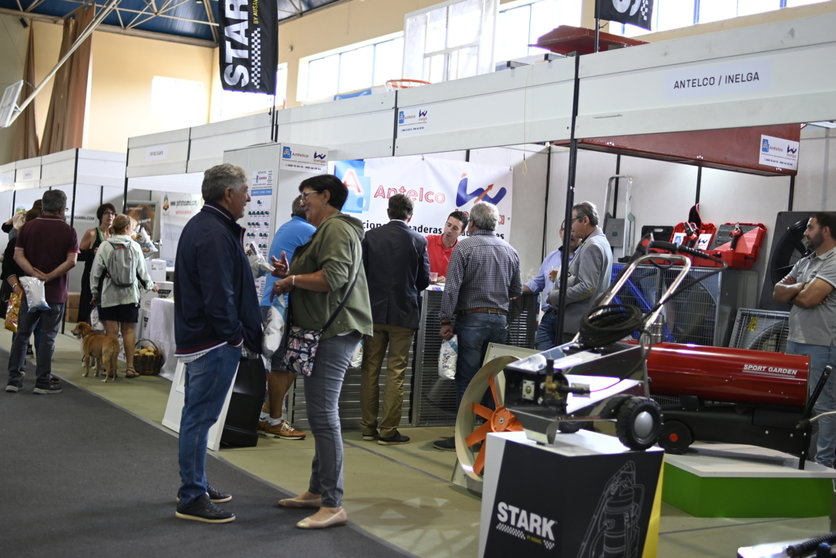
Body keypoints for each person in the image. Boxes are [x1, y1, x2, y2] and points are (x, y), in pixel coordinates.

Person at [271, 174, 372, 529]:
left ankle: (333, 503)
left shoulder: (337, 230)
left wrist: (292, 280)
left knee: (324, 416)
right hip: (329, 330)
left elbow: (334, 278)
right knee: (319, 414)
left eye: (307, 195)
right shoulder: (328, 231)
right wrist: (291, 272)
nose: (303, 202)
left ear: (326, 196)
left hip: (334, 331)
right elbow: (325, 273)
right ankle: (318, 491)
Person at [172, 163, 263, 523]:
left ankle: (197, 482)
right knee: (199, 418)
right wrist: (234, 334)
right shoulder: (212, 231)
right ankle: (191, 495)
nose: (248, 198)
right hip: (212, 341)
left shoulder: (209, 226)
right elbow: (218, 293)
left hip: (209, 338)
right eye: (245, 191)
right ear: (229, 194)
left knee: (199, 417)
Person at [434, 201, 521, 451]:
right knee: (494, 381)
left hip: (471, 321)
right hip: (500, 323)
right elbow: (515, 290)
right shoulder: (510, 250)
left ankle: (464, 436)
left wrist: (445, 320)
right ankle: (491, 434)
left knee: (468, 381)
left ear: (471, 224)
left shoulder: (465, 248)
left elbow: (451, 288)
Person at [360, 194, 430, 445]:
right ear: (409, 215)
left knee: (370, 369)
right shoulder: (419, 240)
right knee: (396, 371)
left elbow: (362, 274)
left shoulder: (371, 237)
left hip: (374, 313)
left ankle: (368, 428)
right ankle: (388, 431)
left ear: (388, 211)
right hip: (404, 315)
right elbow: (423, 281)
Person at [773, 212, 836, 468]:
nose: (805, 233)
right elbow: (777, 292)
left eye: (810, 227)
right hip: (796, 340)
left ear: (826, 231)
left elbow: (810, 300)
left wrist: (797, 290)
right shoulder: (806, 261)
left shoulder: (834, 260)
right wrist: (802, 287)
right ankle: (802, 455)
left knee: (823, 405)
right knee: (798, 402)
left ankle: (825, 462)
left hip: (822, 344)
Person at [5, 190, 78, 394]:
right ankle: (42, 382)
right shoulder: (69, 231)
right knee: (47, 338)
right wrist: (49, 275)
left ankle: (14, 379)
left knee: (21, 335)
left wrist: (34, 273)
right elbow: (71, 261)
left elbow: (18, 256)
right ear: (62, 208)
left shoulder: (27, 228)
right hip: (55, 293)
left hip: (30, 290)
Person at [257, 195, 315, 440]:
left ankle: (266, 414)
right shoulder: (309, 231)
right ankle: (274, 420)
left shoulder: (289, 226)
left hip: (273, 304)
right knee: (284, 365)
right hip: (282, 307)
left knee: (283, 364)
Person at [89, 214, 157, 379]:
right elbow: (142, 272)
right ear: (127, 228)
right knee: (129, 331)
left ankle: (109, 369)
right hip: (129, 296)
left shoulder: (105, 245)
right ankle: (130, 368)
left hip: (108, 295)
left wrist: (94, 293)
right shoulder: (134, 246)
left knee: (111, 333)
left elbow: (96, 272)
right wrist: (150, 285)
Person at [546, 201, 613, 345]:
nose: (570, 227)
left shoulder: (592, 246)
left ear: (585, 220)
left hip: (577, 325)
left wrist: (555, 296)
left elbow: (587, 287)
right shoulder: (601, 242)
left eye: (572, 221)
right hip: (588, 321)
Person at [523, 221, 579, 350]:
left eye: (574, 231)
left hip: (570, 318)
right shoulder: (551, 257)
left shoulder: (582, 257)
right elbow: (538, 282)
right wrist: (517, 289)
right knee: (542, 358)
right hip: (549, 316)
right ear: (560, 233)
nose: (571, 234)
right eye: (567, 230)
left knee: (565, 360)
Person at [77, 203, 116, 324]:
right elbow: (78, 255)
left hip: (110, 279)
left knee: (106, 313)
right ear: (100, 216)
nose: (109, 216)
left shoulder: (116, 235)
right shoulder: (92, 233)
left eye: (112, 213)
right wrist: (92, 252)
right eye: (106, 213)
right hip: (91, 277)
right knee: (88, 309)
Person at [425, 210, 468, 283]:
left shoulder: (463, 250)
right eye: (448, 225)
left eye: (455, 228)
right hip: (425, 291)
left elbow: (464, 280)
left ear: (461, 232)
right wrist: (431, 279)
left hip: (448, 292)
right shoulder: (428, 241)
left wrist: (448, 281)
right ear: (445, 224)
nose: (449, 230)